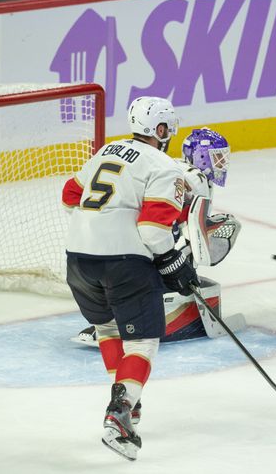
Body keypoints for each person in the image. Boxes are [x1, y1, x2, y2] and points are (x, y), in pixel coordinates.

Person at [62, 96, 199, 461]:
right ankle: (119, 416)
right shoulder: (164, 165)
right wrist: (174, 261)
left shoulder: (108, 150)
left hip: (77, 259)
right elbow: (154, 230)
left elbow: (69, 194)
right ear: (160, 130)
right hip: (123, 263)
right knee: (143, 344)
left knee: (108, 329)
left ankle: (126, 397)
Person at [72, 126, 241, 346]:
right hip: (146, 247)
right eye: (217, 158)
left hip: (112, 245)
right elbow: (193, 234)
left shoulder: (171, 165)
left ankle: (114, 321)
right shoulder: (197, 179)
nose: (221, 164)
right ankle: (143, 314)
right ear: (200, 155)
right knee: (225, 227)